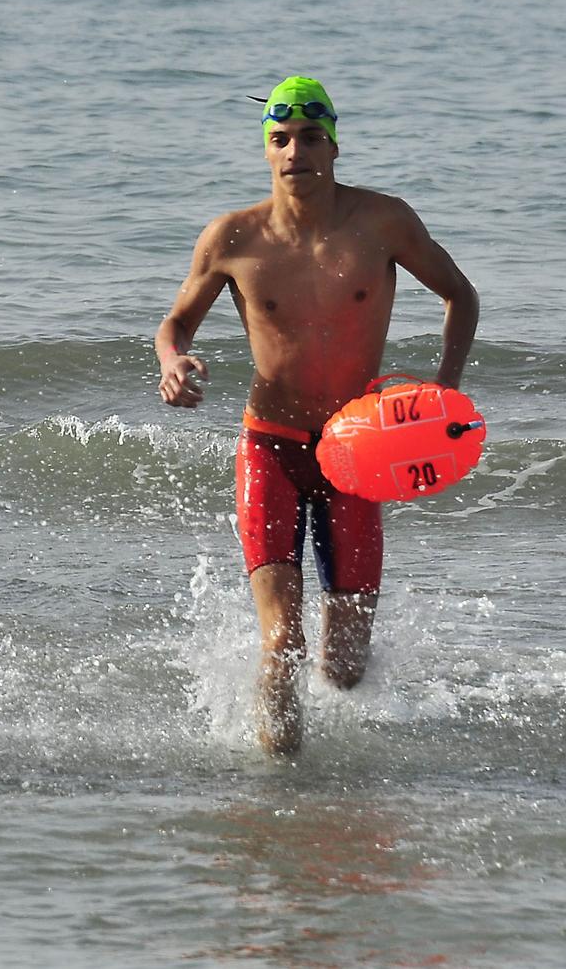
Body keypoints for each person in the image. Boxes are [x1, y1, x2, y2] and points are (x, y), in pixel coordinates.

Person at [154, 76, 478, 755]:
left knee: (345, 666)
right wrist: (172, 363)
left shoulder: (383, 222)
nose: (294, 150)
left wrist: (445, 390)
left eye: (308, 137)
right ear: (265, 151)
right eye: (279, 139)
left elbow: (460, 295)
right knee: (283, 639)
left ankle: (334, 776)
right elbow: (174, 326)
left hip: (358, 455)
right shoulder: (232, 236)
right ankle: (282, 792)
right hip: (270, 447)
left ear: (333, 143)